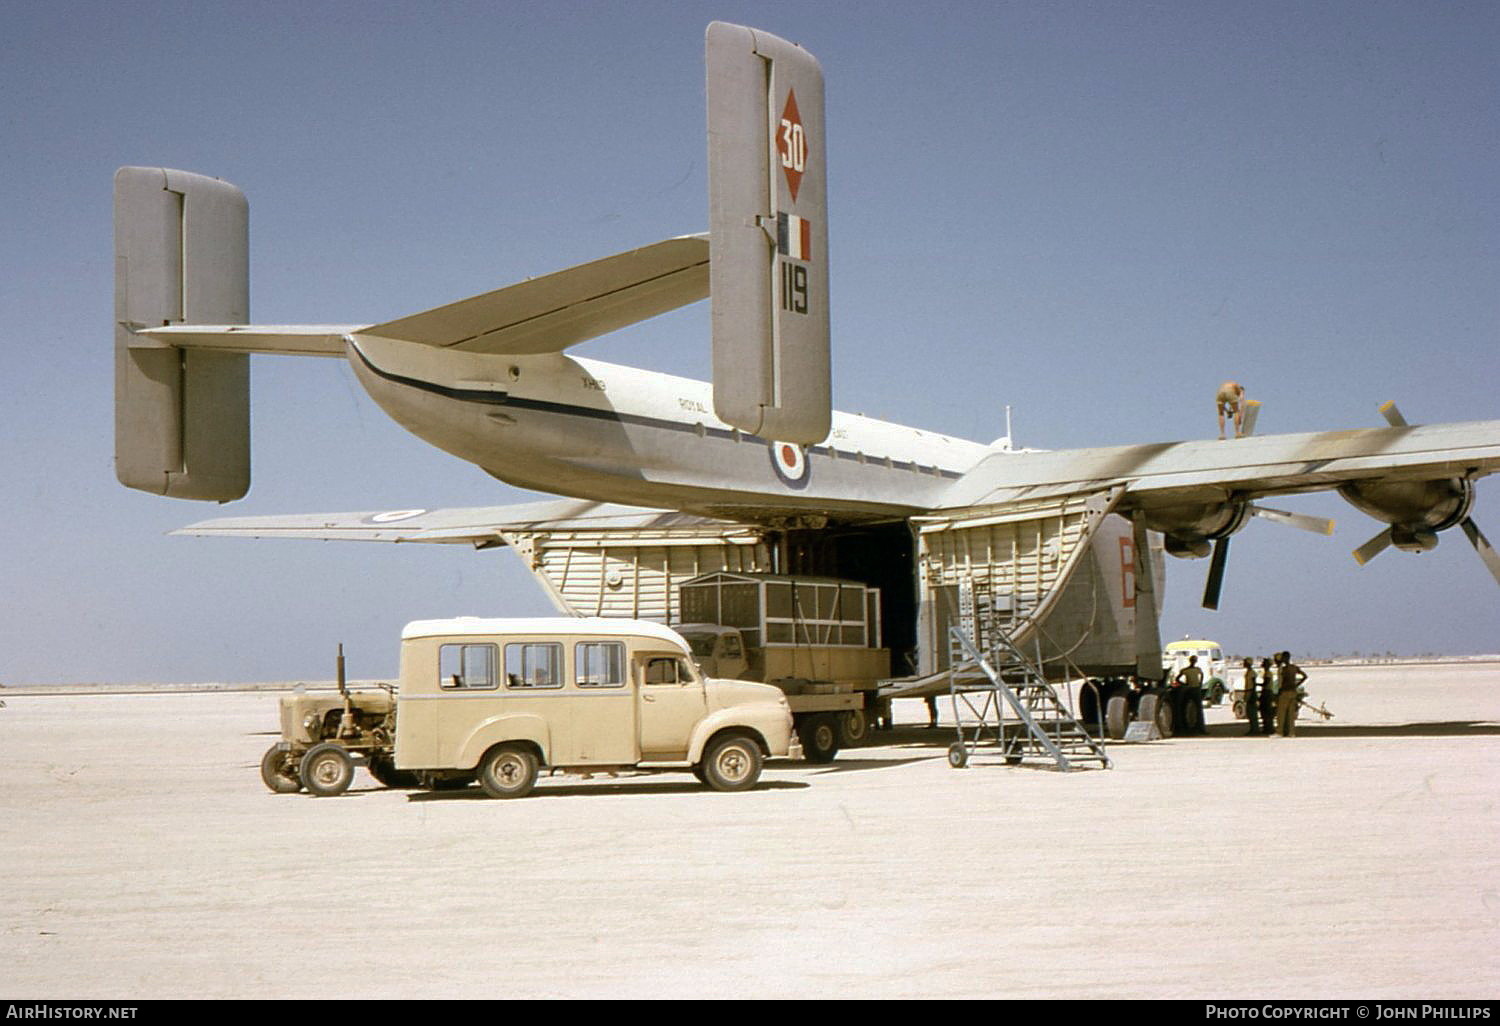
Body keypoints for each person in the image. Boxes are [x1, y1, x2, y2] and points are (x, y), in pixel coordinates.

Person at [1276, 650, 1308, 737]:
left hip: (1285, 692)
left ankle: (1280, 732)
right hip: (1293, 692)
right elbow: (1305, 676)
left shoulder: (1284, 669)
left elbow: (1281, 682)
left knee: (1281, 713)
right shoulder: (1294, 668)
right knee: (1290, 714)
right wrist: (1296, 684)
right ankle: (1291, 732)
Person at [1173, 655, 1206, 735]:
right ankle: (1199, 727)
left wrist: (1184, 684)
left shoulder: (1186, 670)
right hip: (1194, 689)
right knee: (1198, 709)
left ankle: (1191, 727)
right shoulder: (1196, 670)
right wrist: (1200, 684)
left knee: (1188, 707)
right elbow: (1201, 675)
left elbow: (1177, 679)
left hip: (1189, 689)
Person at [1240, 657, 1260, 736]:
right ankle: (1253, 728)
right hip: (1248, 691)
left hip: (1251, 692)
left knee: (1252, 712)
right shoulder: (1248, 672)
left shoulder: (1252, 673)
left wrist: (1251, 694)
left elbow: (1253, 684)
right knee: (1249, 712)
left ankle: (1255, 729)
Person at [1258, 657, 1277, 736]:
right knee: (1265, 711)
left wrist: (1256, 684)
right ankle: (1267, 727)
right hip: (1267, 692)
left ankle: (1269, 728)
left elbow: (1266, 683)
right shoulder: (1267, 673)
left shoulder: (1268, 673)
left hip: (1267, 692)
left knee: (1266, 711)